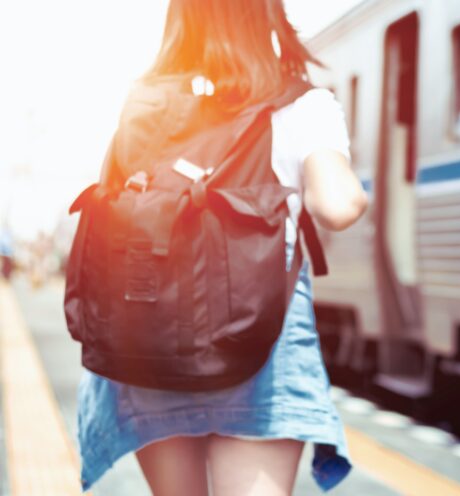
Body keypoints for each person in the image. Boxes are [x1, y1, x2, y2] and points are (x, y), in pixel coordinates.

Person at [75, 1, 368, 495]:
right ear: (266, 19)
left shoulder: (143, 107)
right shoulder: (301, 104)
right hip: (262, 347)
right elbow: (337, 206)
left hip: (150, 345)